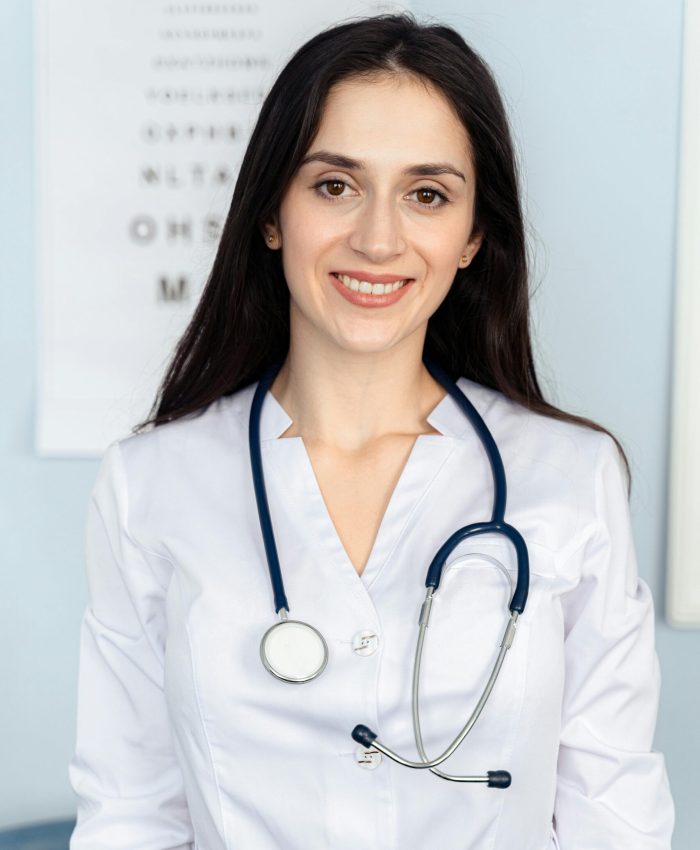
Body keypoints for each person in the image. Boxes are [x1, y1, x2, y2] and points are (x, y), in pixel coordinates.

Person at [68, 12, 674, 850]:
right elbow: (129, 817)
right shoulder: (151, 485)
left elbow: (616, 816)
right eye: (334, 185)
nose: (378, 238)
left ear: (472, 238)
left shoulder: (571, 476)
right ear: (271, 215)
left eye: (427, 195)